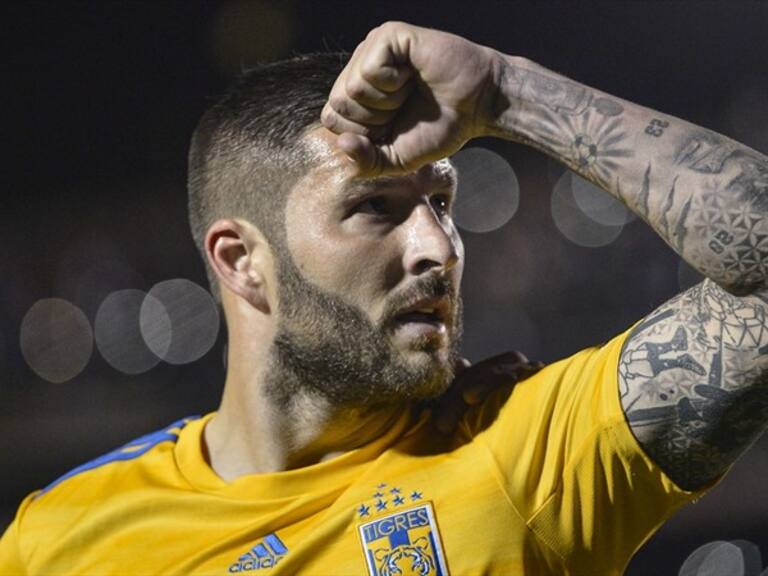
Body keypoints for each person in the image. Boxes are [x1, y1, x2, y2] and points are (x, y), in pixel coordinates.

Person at [2, 21, 767, 575]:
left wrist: (505, 90)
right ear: (241, 261)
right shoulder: (61, 538)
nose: (439, 247)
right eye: (376, 208)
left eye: (442, 202)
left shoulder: (519, 455)